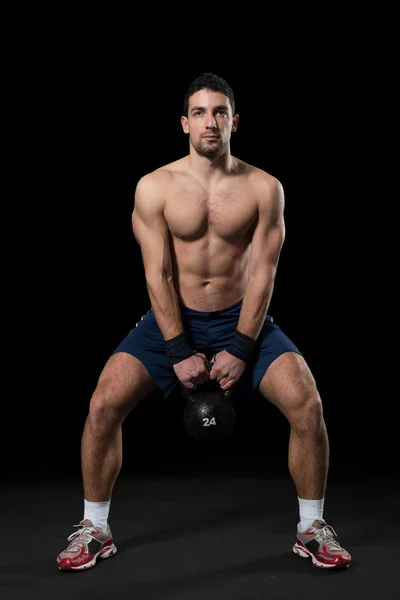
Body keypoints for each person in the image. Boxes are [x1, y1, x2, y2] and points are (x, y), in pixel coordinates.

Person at [57, 72, 351, 571]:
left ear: (235, 121)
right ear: (183, 123)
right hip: (174, 317)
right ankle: (94, 527)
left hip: (242, 318)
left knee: (307, 403)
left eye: (219, 112)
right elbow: (158, 274)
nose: (209, 122)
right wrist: (176, 349)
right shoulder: (155, 187)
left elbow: (263, 274)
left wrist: (240, 346)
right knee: (103, 403)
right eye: (199, 112)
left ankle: (312, 527)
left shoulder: (265, 188)